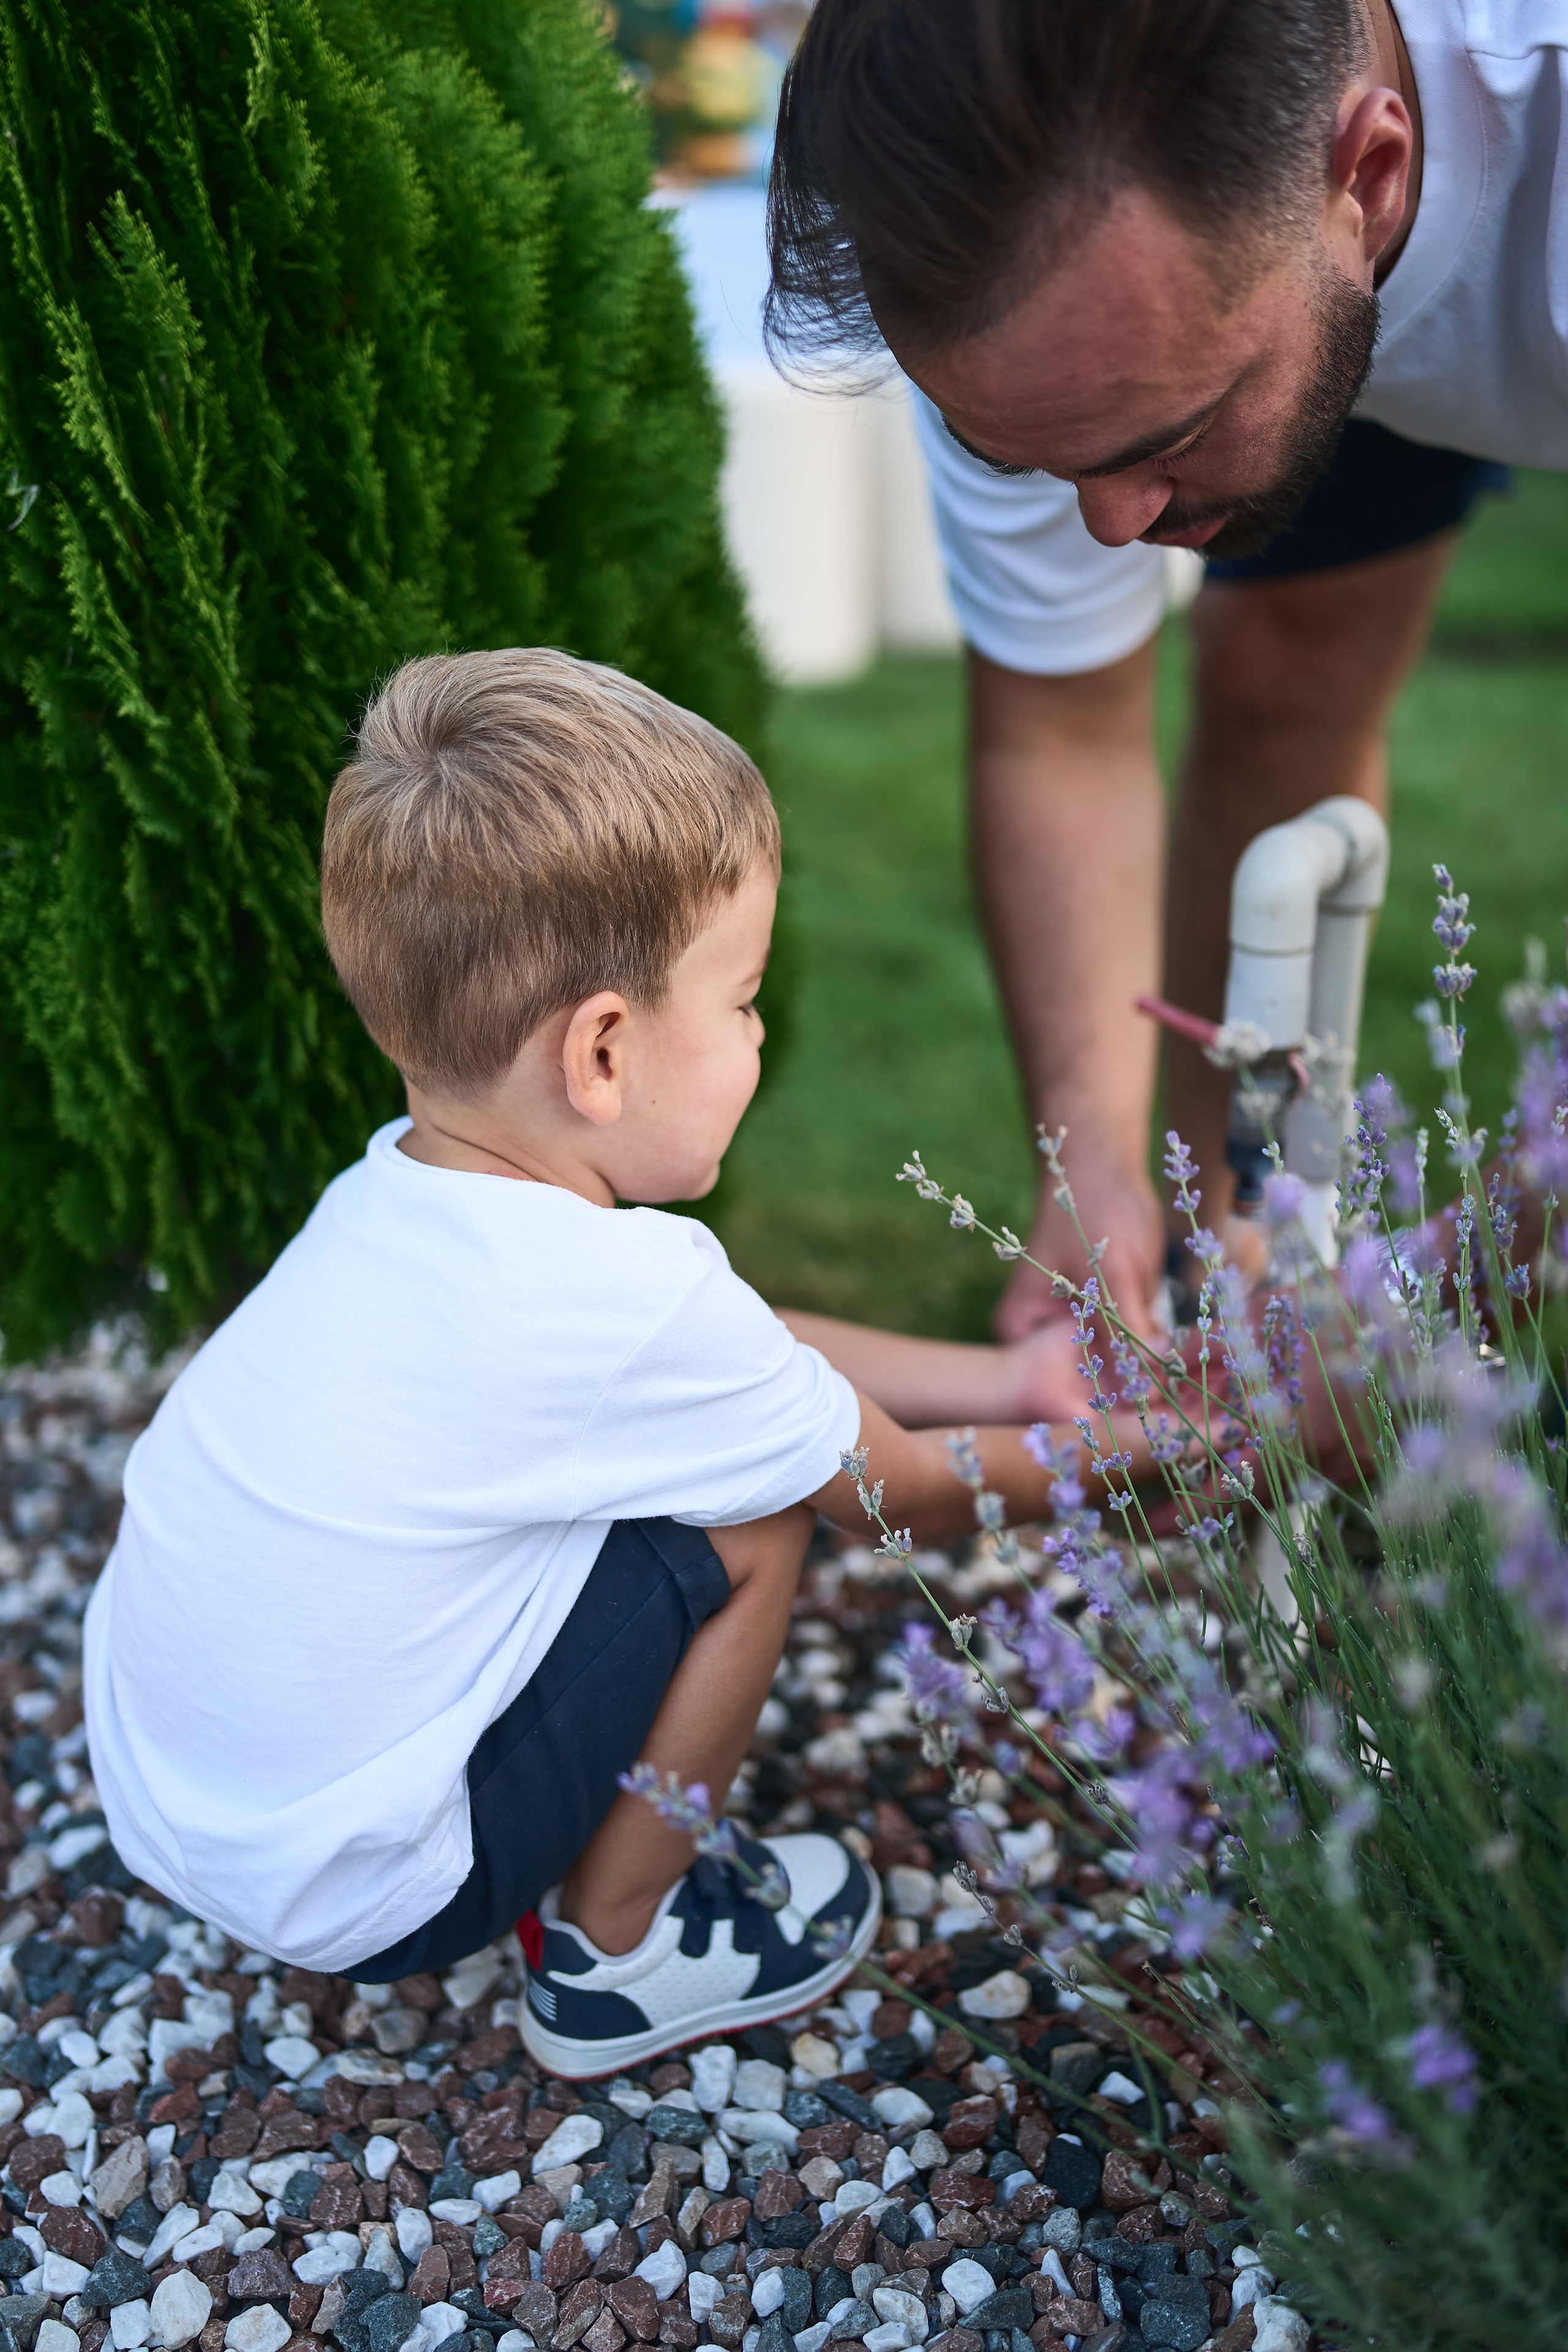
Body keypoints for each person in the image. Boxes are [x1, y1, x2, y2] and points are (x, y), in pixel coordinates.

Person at [82, 649, 1107, 2079]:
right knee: (749, 1514)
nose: (756, 1033)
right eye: (742, 998)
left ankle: (537, 1840)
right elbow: (912, 1498)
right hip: (366, 1887)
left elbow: (742, 1368)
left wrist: (1006, 1382)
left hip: (179, 1797)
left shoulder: (389, 1196)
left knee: (711, 1456)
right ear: (604, 1055)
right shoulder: (625, 1301)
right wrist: (1184, 1450)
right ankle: (620, 1954)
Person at [766, 0, 1564, 1336]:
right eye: (1025, 458)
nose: (1108, 526)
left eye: (1159, 435)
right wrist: (1088, 1170)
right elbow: (1056, 731)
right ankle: (1228, 1241)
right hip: (1283, 293)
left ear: (1366, 177)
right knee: (1274, 654)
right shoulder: (998, 208)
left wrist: (1438, 1297)